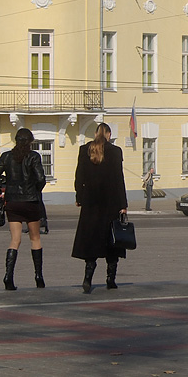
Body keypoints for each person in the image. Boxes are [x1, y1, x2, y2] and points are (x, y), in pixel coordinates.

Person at [72, 123, 128, 293]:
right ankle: (110, 279)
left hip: (91, 203)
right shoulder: (115, 151)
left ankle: (87, 279)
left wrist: (79, 197)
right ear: (109, 134)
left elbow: (79, 176)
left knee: (91, 241)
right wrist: (123, 204)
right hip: (110, 202)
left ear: (96, 133)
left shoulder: (84, 150)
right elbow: (119, 179)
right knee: (112, 240)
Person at [0, 127, 47, 290]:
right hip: (30, 202)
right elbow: (41, 179)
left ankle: (8, 276)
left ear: (16, 140)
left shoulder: (7, 156)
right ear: (30, 142)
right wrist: (34, 189)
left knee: (15, 240)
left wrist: (10, 181)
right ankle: (38, 277)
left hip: (12, 202)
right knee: (35, 238)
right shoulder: (34, 157)